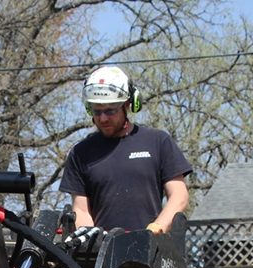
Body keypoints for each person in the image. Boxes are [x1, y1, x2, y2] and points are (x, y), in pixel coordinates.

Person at [59, 65, 191, 243]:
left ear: (129, 104)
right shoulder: (81, 153)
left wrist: (154, 230)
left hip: (150, 252)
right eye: (97, 111)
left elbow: (179, 196)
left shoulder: (158, 142)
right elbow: (81, 210)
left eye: (110, 110)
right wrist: (92, 243)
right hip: (101, 256)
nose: (103, 118)